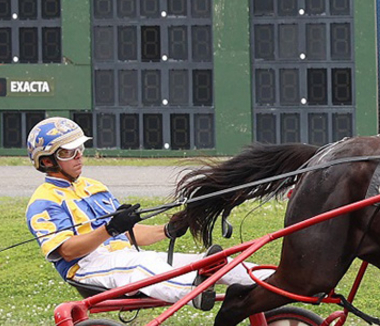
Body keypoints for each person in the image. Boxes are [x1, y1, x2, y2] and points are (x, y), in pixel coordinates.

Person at [24, 116, 252, 310]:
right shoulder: (43, 202)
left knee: (211, 261)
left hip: (124, 258)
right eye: (68, 152)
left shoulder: (95, 187)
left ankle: (270, 281)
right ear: (46, 161)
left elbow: (129, 233)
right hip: (87, 268)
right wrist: (110, 229)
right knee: (141, 264)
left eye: (79, 149)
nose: (78, 156)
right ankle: (194, 289)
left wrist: (168, 230)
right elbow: (67, 250)